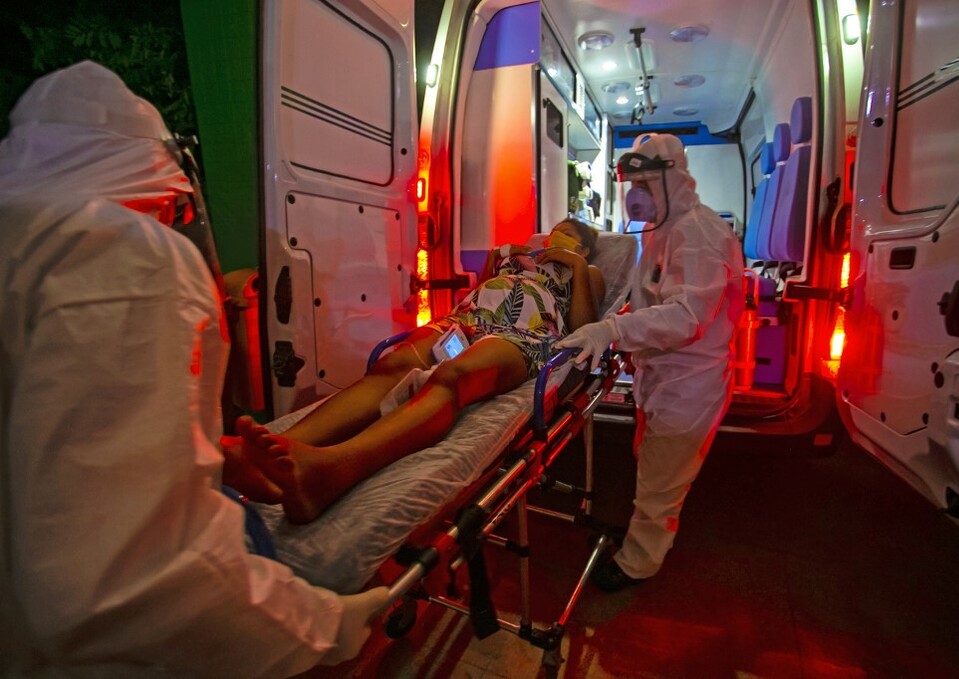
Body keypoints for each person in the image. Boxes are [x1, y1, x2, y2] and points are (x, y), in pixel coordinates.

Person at [0, 61, 388, 677]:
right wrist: (327, 627)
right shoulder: (118, 252)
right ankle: (318, 471)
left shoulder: (26, 236)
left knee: (429, 378)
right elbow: (128, 571)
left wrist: (204, 452)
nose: (168, 221)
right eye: (167, 209)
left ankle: (307, 468)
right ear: (150, 181)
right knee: (429, 380)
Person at [226, 218, 605, 525]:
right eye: (553, 231)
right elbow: (481, 289)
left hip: (525, 332)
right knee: (394, 364)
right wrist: (499, 259)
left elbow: (583, 328)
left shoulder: (584, 270)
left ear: (584, 247)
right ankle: (271, 452)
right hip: (468, 317)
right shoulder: (520, 257)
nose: (554, 236)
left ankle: (331, 470)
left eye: (565, 234)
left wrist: (573, 264)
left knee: (452, 376)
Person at [558, 133, 744, 592]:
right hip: (662, 376)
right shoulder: (663, 231)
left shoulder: (698, 234)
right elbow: (652, 301)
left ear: (672, 179)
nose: (635, 195)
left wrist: (614, 331)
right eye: (632, 185)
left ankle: (636, 564)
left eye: (645, 184)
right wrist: (622, 321)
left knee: (662, 482)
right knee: (652, 464)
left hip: (690, 384)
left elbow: (686, 317)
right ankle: (641, 536)